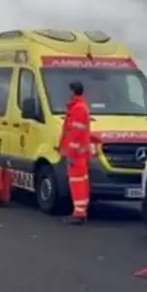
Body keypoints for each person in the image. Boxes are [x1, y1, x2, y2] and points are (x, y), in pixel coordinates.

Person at [60, 80, 93, 225]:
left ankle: (79, 213)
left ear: (74, 91)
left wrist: (70, 152)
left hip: (76, 154)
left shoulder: (78, 108)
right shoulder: (80, 107)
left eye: (70, 91)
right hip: (80, 152)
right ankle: (80, 211)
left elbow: (76, 132)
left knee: (77, 183)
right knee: (81, 182)